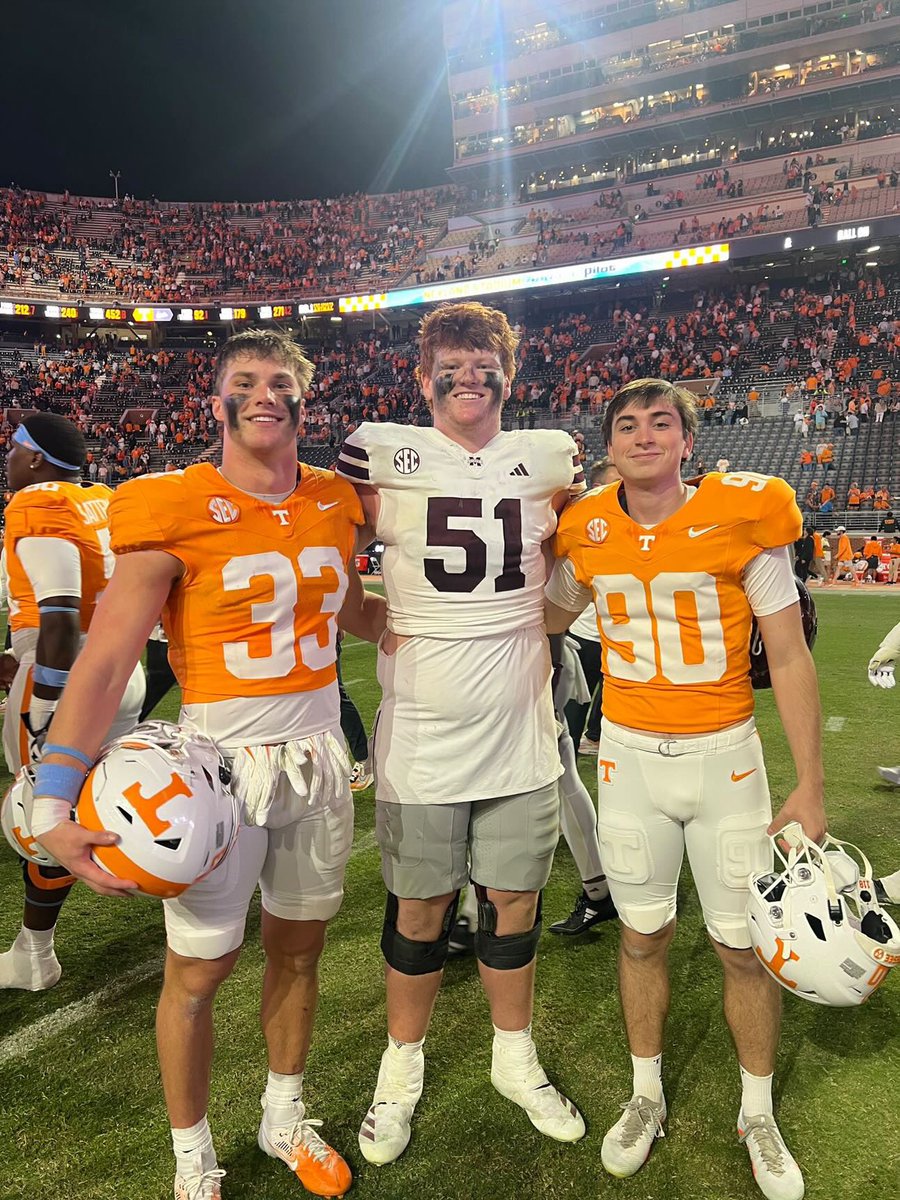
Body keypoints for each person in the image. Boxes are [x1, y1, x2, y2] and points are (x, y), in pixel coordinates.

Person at [32, 330, 385, 1200]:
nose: (265, 394)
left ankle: (282, 1117)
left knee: (299, 952)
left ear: (303, 400)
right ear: (217, 400)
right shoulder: (170, 503)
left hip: (318, 760)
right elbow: (105, 662)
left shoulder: (335, 499)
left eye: (281, 381)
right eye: (246, 380)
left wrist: (466, 625)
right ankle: (192, 1156)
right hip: (214, 773)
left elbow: (353, 611)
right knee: (197, 975)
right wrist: (51, 802)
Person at [545, 378, 825, 1200]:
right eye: (626, 424)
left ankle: (756, 1112)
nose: (643, 435)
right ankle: (645, 1095)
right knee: (642, 937)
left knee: (742, 948)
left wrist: (811, 784)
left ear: (686, 441)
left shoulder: (745, 515)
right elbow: (549, 616)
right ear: (608, 446)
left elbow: (790, 655)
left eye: (660, 422)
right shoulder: (586, 527)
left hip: (725, 759)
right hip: (629, 760)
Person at [335, 301, 586, 1167]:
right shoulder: (380, 450)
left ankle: (514, 1058)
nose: (468, 378)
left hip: (520, 728)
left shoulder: (548, 455)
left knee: (514, 901)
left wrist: (551, 617)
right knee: (420, 909)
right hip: (422, 736)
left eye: (485, 365)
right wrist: (370, 618)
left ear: (509, 375)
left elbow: (577, 558)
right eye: (452, 364)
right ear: (422, 376)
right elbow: (325, 545)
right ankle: (400, 1068)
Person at [0, 413, 146, 991]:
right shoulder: (100, 499)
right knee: (96, 805)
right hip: (118, 668)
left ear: (36, 458)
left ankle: (35, 955)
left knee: (41, 816)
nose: (8, 459)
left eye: (14, 449)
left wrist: (43, 705)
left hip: (68, 677)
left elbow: (60, 616)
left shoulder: (39, 503)